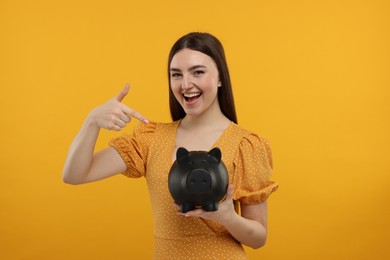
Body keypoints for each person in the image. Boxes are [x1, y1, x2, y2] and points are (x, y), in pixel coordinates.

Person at [63, 32, 278, 259]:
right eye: (176, 75)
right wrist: (91, 122)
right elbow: (75, 174)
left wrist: (227, 216)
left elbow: (258, 238)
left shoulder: (246, 145)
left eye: (198, 72)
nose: (185, 84)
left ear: (220, 77)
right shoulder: (151, 138)